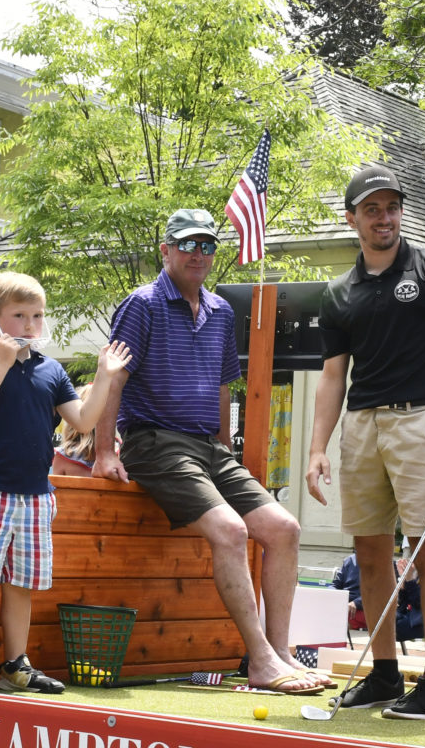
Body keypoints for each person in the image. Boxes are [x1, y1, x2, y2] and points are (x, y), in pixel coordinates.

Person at [95, 207, 327, 696]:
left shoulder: (221, 310)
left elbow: (225, 387)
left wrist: (225, 447)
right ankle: (260, 659)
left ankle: (281, 654)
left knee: (284, 529)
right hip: (154, 441)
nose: (198, 254)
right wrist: (103, 451)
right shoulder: (142, 304)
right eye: (187, 244)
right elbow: (112, 378)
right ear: (166, 250)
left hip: (209, 447)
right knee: (231, 529)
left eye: (207, 246)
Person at [304, 162, 425, 722]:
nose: (385, 217)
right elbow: (333, 377)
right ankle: (382, 677)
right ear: (352, 217)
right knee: (369, 552)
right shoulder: (338, 292)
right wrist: (315, 449)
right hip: (361, 426)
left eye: (392, 207)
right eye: (372, 208)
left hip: (422, 421)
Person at [0, 272, 130, 692]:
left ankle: (15, 664)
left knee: (22, 586)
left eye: (37, 316)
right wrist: (2, 363)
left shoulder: (52, 371)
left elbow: (82, 420)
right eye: (19, 315)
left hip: (35, 497)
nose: (30, 325)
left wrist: (105, 375)